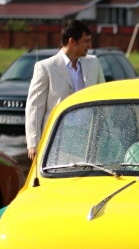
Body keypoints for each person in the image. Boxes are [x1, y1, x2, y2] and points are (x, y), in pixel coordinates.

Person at [25, 19, 105, 160]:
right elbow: (34, 108)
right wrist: (33, 143)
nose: (90, 45)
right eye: (86, 41)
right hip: (56, 141)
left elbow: (103, 100)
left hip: (88, 140)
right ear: (72, 41)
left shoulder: (94, 63)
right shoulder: (45, 67)